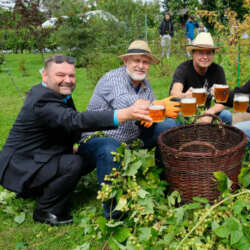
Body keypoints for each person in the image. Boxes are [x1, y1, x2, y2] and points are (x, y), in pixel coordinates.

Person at [0, 55, 152, 226]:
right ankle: (45, 210)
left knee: (86, 154)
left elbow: (65, 126)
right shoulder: (42, 99)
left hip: (38, 155)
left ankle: (111, 208)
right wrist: (124, 114)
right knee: (73, 163)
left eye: (71, 76)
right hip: (20, 166)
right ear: (44, 75)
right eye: (60, 75)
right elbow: (74, 120)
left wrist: (72, 145)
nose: (67, 80)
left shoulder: (56, 92)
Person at [78, 40, 180, 219]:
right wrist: (159, 105)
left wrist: (158, 117)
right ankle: (113, 213)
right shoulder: (113, 78)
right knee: (110, 148)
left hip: (131, 139)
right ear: (126, 62)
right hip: (98, 137)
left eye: (145, 62)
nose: (141, 66)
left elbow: (150, 115)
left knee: (169, 129)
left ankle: (166, 183)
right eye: (136, 61)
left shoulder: (146, 87)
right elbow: (128, 104)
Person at [170, 32, 232, 124]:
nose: (205, 57)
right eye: (200, 53)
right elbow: (174, 93)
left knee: (226, 115)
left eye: (208, 53)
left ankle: (222, 137)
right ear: (193, 54)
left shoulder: (217, 70)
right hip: (186, 113)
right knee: (174, 121)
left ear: (213, 54)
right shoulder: (183, 68)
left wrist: (209, 113)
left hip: (205, 113)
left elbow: (223, 101)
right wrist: (184, 96)